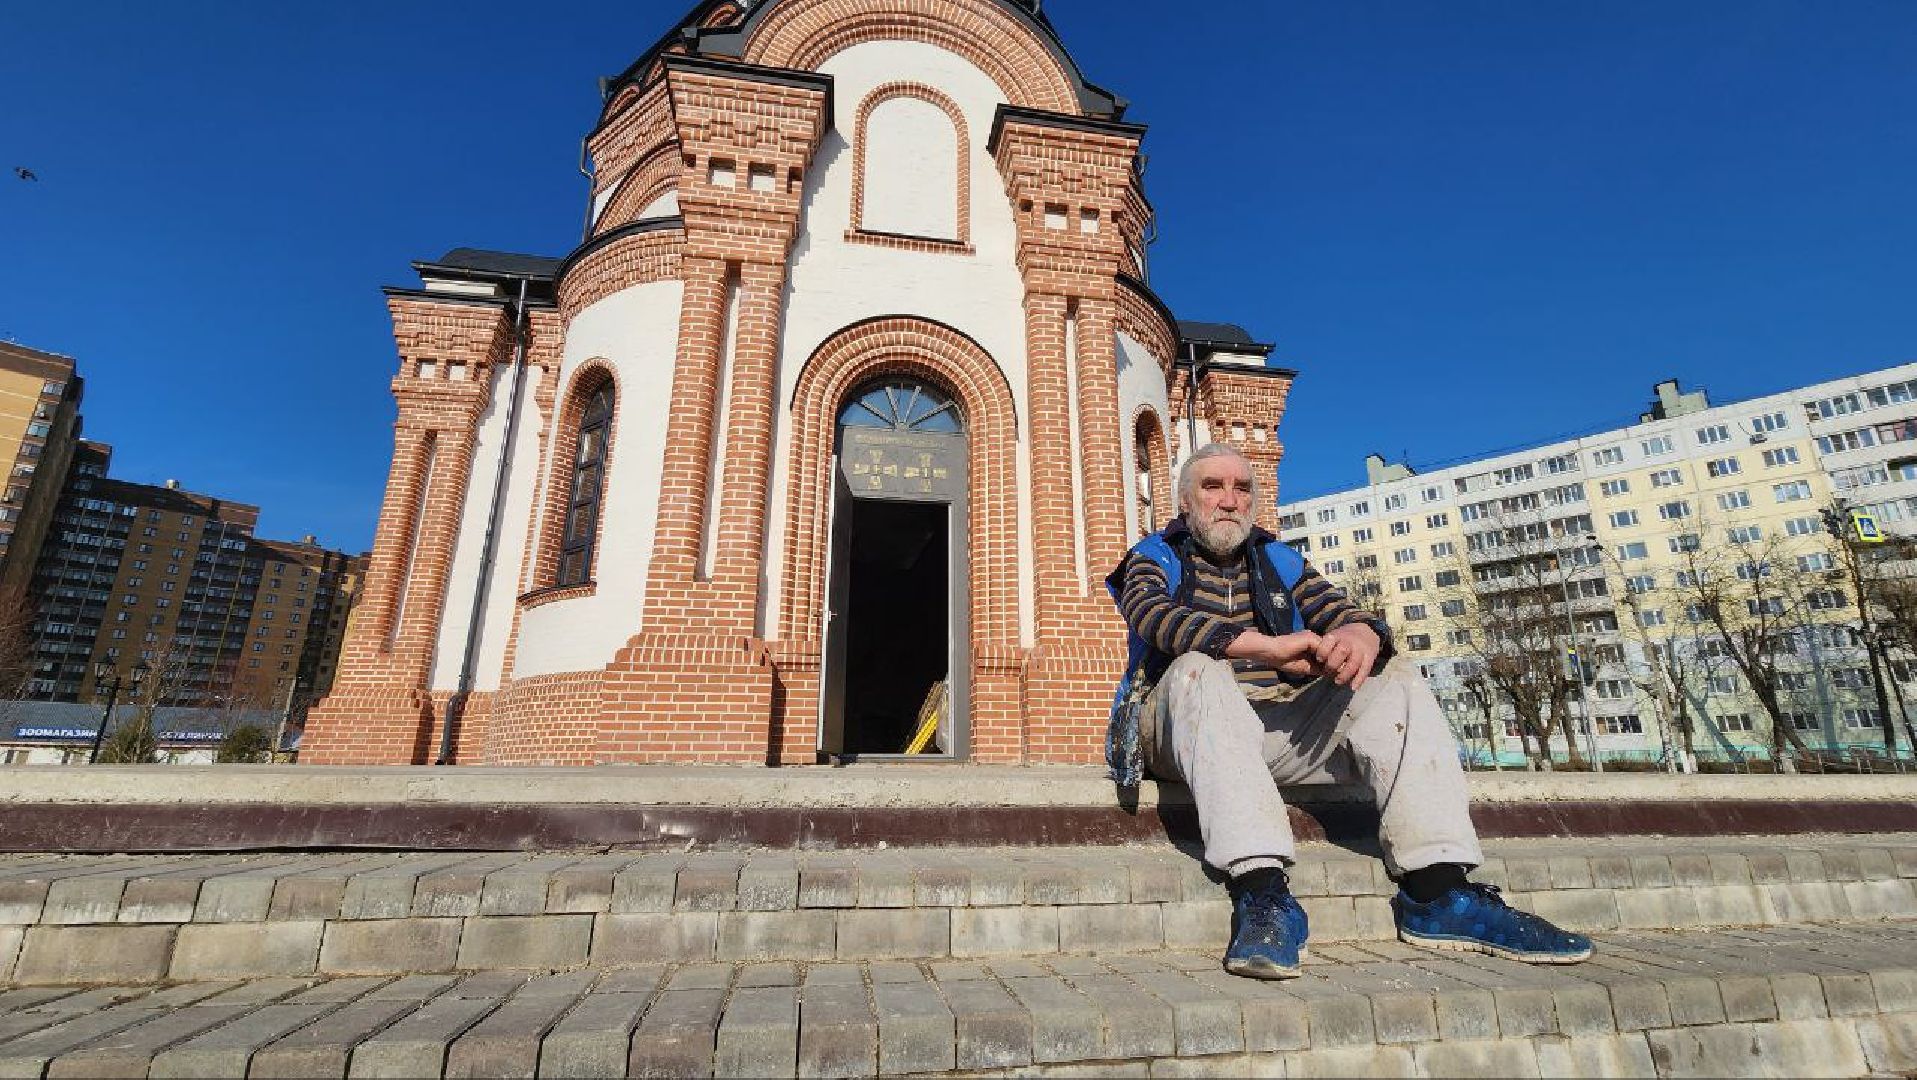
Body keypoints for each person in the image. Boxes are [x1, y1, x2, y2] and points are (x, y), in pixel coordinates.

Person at [1106, 442, 1592, 979]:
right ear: (1184, 504)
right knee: (1199, 667)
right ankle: (1262, 892)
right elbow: (1154, 617)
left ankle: (1437, 891)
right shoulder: (1152, 555)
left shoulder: (1277, 559)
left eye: (1242, 488)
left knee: (1394, 678)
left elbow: (1345, 612)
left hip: (1273, 732)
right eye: (1213, 487)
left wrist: (1360, 634)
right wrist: (1266, 648)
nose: (1229, 500)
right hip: (1181, 732)